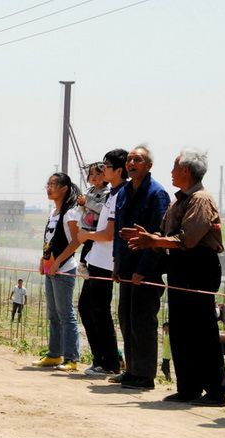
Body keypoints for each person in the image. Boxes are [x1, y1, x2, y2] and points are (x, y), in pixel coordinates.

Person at [126, 148, 225, 405]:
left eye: (174, 166)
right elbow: (164, 236)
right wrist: (150, 243)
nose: (171, 171)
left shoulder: (200, 200)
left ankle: (216, 391)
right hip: (180, 267)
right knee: (180, 329)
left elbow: (188, 239)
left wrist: (155, 240)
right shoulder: (179, 200)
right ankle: (189, 387)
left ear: (185, 170)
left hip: (198, 266)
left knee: (202, 330)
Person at [110, 145, 170, 390]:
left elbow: (158, 236)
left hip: (147, 270)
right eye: (130, 159)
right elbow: (117, 232)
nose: (131, 163)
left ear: (149, 166)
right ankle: (132, 370)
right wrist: (116, 263)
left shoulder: (157, 194)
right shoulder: (124, 191)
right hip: (125, 267)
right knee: (126, 318)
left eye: (138, 159)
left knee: (143, 322)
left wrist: (143, 270)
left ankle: (145, 376)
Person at [76, 149, 128, 377]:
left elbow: (109, 233)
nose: (101, 170)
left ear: (118, 170)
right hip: (96, 257)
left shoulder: (118, 194)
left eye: (106, 166)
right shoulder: (113, 193)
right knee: (87, 308)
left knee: (99, 311)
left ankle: (109, 362)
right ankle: (102, 358)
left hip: (106, 260)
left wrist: (87, 236)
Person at [32, 173, 81, 371]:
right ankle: (54, 354)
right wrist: (43, 260)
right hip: (51, 267)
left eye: (54, 184)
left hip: (64, 269)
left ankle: (71, 358)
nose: (49, 188)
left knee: (66, 314)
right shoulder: (53, 212)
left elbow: (76, 241)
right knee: (53, 314)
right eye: (48, 183)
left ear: (64, 188)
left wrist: (58, 262)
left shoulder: (70, 213)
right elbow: (49, 240)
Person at [76, 162, 109, 273]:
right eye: (91, 174)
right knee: (87, 244)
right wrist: (81, 204)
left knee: (91, 244)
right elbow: (81, 209)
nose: (93, 177)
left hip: (97, 226)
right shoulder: (88, 191)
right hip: (86, 224)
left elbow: (102, 208)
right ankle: (83, 264)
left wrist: (86, 202)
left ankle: (82, 264)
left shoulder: (106, 192)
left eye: (98, 174)